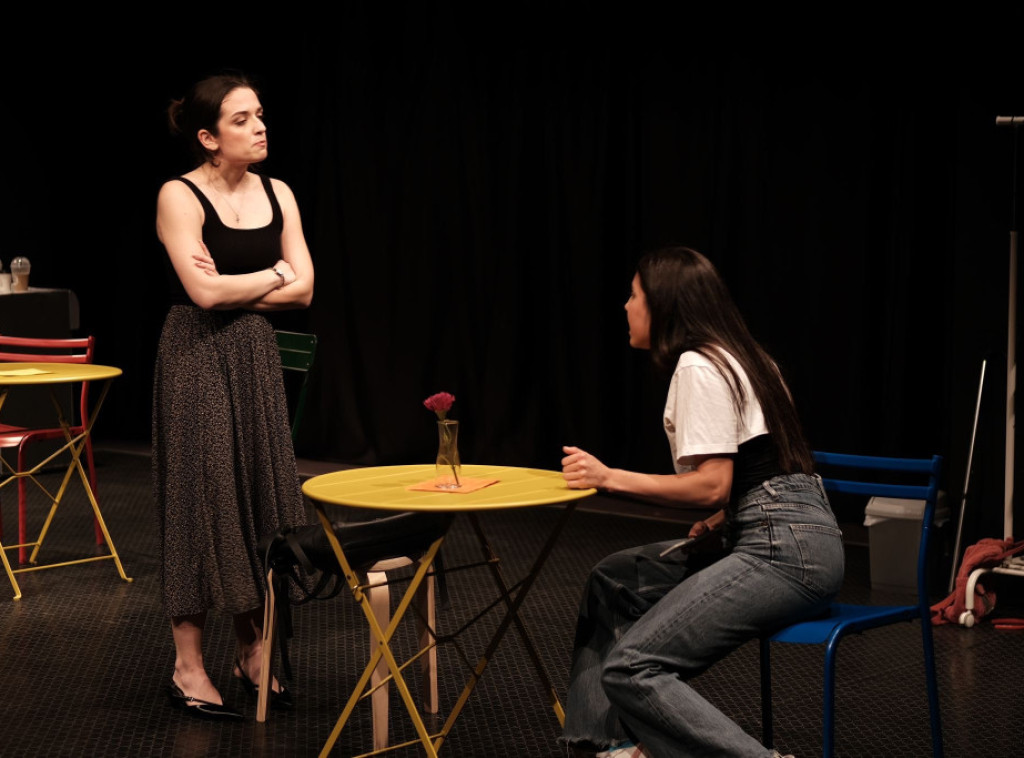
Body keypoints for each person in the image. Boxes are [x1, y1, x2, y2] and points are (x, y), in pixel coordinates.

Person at [559, 246, 844, 757]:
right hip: (795, 532)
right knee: (613, 580)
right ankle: (610, 746)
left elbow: (712, 484)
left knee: (632, 666)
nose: (626, 305)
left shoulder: (698, 365)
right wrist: (723, 518)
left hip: (782, 550)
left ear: (663, 304)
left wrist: (608, 477)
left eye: (634, 295)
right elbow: (765, 469)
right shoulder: (749, 357)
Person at [152, 72, 315, 719]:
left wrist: (243, 285)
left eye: (260, 115)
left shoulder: (278, 192)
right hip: (195, 357)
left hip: (253, 358)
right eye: (242, 119)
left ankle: (252, 649)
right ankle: (187, 665)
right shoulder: (180, 195)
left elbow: (305, 289)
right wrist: (274, 271)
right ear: (208, 137)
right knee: (200, 501)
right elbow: (203, 294)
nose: (259, 127)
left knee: (257, 498)